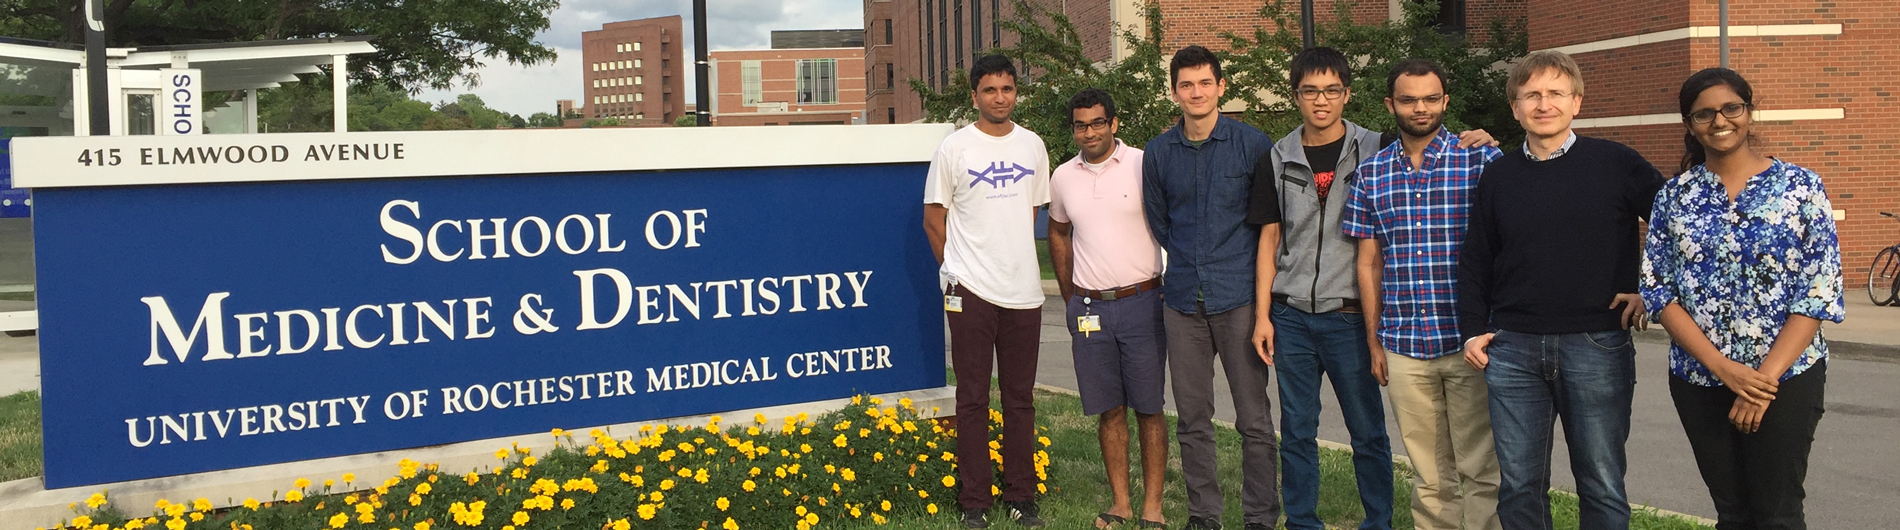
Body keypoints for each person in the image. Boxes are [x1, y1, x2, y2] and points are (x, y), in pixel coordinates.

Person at [1457, 49, 1665, 530]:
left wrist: (1650, 292)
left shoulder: (1617, 163)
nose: (1543, 103)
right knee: (1519, 487)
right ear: (1515, 108)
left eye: (1555, 93)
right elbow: (1477, 259)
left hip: (1597, 343)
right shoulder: (1499, 175)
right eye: (1531, 94)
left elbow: (1677, 227)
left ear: (1577, 102)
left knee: (1601, 483)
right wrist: (1472, 330)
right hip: (1512, 348)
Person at [1642, 67, 1843, 530]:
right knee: (1732, 513)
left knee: (1777, 514)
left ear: (1749, 112)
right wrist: (1723, 368)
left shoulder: (1801, 188)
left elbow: (1818, 290)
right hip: (1700, 378)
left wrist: (1761, 383)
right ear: (1690, 124)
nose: (1720, 120)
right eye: (1704, 113)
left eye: (1731, 108)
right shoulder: (1674, 197)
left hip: (1786, 377)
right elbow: (1658, 289)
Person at [1342, 58, 1503, 530]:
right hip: (1403, 343)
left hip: (1470, 341)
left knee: (1481, 469)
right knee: (1430, 476)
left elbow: (1509, 246)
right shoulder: (1371, 173)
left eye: (1431, 98)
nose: (1421, 108)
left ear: (1445, 101)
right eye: (1409, 100)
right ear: (1390, 104)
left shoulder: (1481, 161)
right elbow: (1369, 262)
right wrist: (1374, 339)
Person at [1248, 46, 1395, 530]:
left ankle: (1378, 521)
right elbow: (1269, 240)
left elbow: (1430, 142)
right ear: (1296, 96)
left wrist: (1477, 137)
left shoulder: (1377, 148)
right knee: (1296, 432)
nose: (1321, 100)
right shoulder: (1277, 156)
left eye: (1332, 90)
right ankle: (1302, 521)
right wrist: (1263, 316)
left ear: (1347, 94)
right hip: (1291, 317)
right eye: (1310, 91)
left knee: (1368, 432)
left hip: (1350, 316)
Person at [1141, 45, 1278, 530]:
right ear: (1173, 91)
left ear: (1221, 87)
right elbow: (1160, 222)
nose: (1196, 93)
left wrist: (1261, 306)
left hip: (1239, 297)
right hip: (1182, 301)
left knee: (1254, 419)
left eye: (1204, 83)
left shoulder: (1252, 145)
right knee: (1193, 419)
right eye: (1186, 85)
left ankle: (1260, 516)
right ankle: (1204, 514)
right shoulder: (1159, 153)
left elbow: (1268, 226)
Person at [921, 53, 1051, 530]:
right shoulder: (954, 149)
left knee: (1020, 399)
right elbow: (933, 220)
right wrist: (954, 271)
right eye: (990, 90)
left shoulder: (1033, 146)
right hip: (970, 291)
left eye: (1007, 89)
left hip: (1023, 292)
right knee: (972, 399)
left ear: (1016, 92)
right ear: (974, 96)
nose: (1000, 98)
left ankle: (1021, 496)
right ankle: (974, 501)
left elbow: (1031, 214)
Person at [1047, 87, 1169, 530]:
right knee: (1109, 408)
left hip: (1143, 301)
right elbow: (1058, 232)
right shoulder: (1063, 177)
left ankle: (1152, 507)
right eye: (1080, 125)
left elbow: (1169, 221)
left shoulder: (1143, 164)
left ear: (1114, 124)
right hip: (1090, 307)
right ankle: (1121, 504)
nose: (1089, 132)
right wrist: (1070, 294)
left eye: (1098, 122)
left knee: (1149, 407)